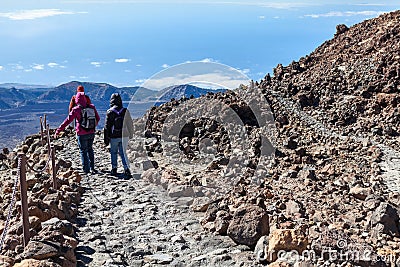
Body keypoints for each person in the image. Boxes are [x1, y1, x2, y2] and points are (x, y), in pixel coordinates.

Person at [55, 92, 100, 174]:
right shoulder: (92, 107)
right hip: (91, 132)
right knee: (90, 149)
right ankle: (92, 167)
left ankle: (86, 170)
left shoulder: (76, 109)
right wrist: (92, 127)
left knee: (83, 151)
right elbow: (98, 118)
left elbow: (67, 121)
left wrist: (58, 130)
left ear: (77, 100)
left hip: (81, 133)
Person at [104, 93, 134, 178]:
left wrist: (106, 139)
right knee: (123, 153)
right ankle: (126, 168)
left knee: (113, 152)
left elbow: (107, 127)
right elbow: (130, 124)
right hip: (124, 135)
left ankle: (114, 168)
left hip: (114, 136)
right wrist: (131, 134)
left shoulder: (110, 112)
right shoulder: (125, 111)